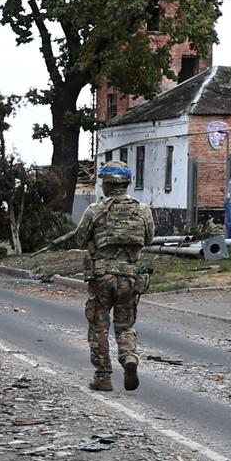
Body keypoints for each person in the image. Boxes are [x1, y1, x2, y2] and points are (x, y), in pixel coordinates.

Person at [72, 161, 154, 392]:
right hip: (130, 277)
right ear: (127, 183)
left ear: (105, 184)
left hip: (101, 277)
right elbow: (148, 239)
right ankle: (129, 357)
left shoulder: (95, 210)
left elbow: (80, 239)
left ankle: (103, 376)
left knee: (99, 327)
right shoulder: (143, 210)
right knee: (125, 325)